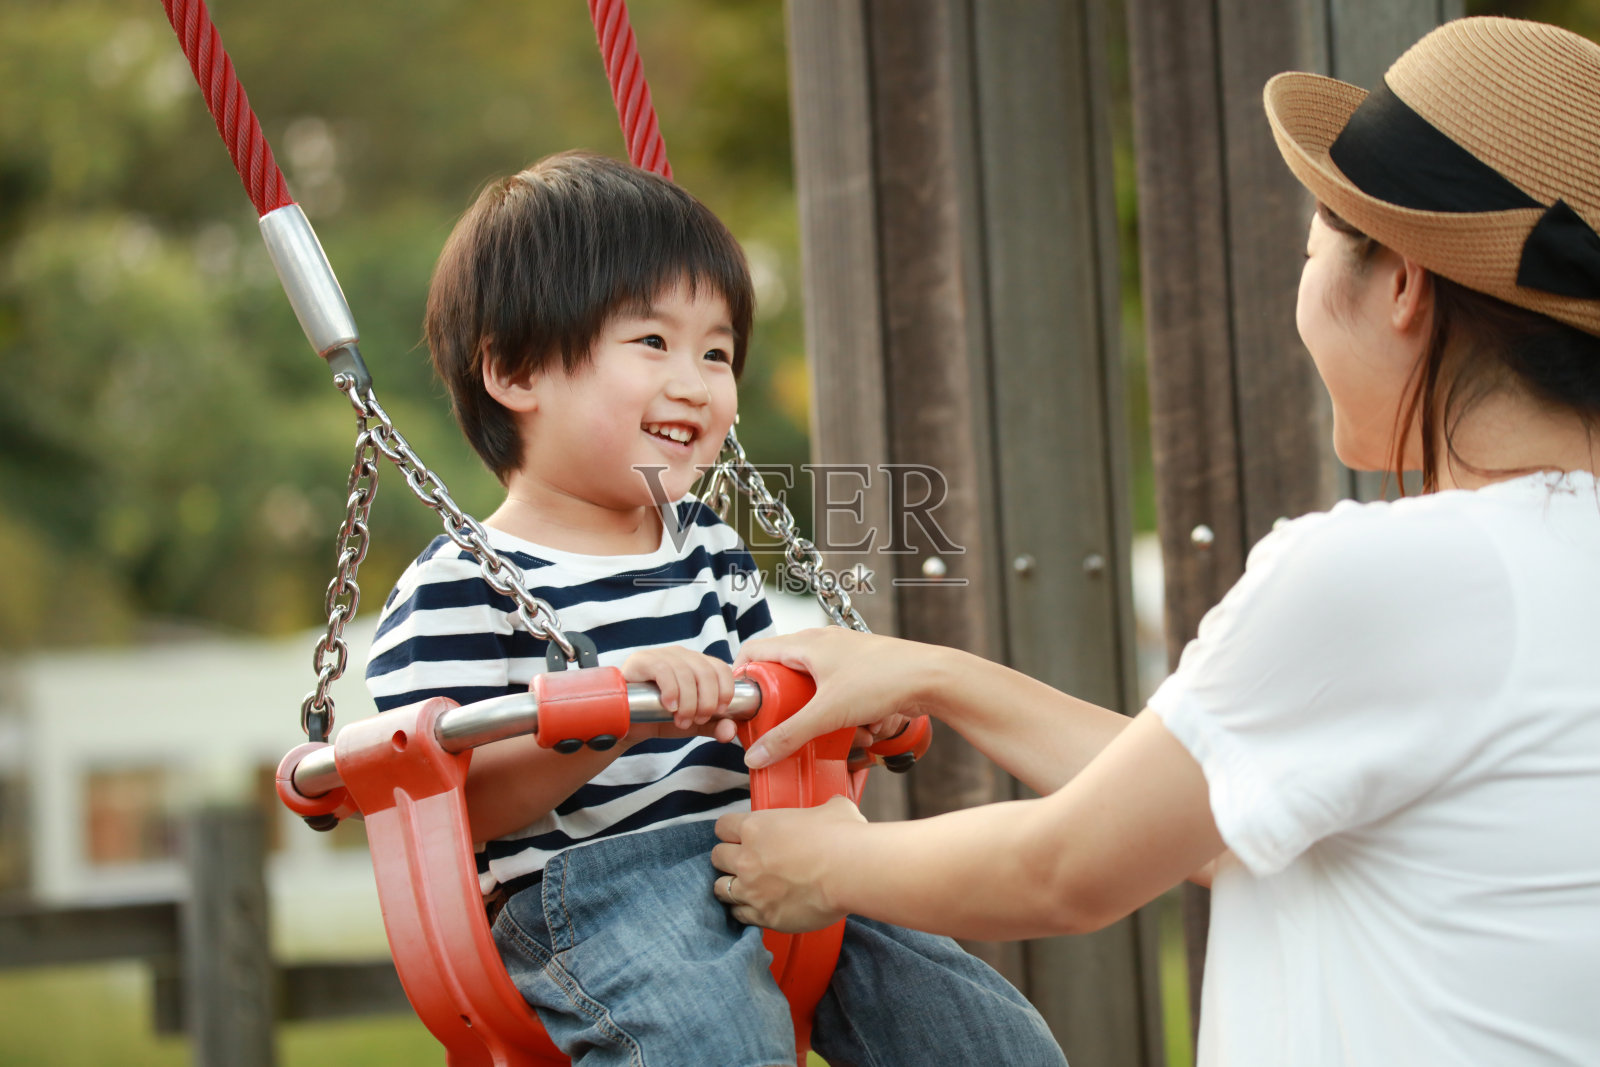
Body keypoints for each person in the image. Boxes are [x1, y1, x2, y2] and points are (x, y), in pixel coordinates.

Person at [711, 17, 1600, 1066]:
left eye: (1310, 251)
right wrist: (940, 675)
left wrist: (817, 862)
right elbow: (1211, 815)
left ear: (1402, 283)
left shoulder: (1390, 572)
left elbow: (1069, 866)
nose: (1303, 295)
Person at [365, 151, 1065, 1067]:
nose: (695, 381)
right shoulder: (459, 582)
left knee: (984, 1034)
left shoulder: (709, 550)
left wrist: (845, 719)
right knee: (715, 1042)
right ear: (517, 370)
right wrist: (604, 718)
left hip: (768, 852)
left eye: (718, 351)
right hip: (590, 900)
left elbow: (767, 716)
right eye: (652, 343)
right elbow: (457, 805)